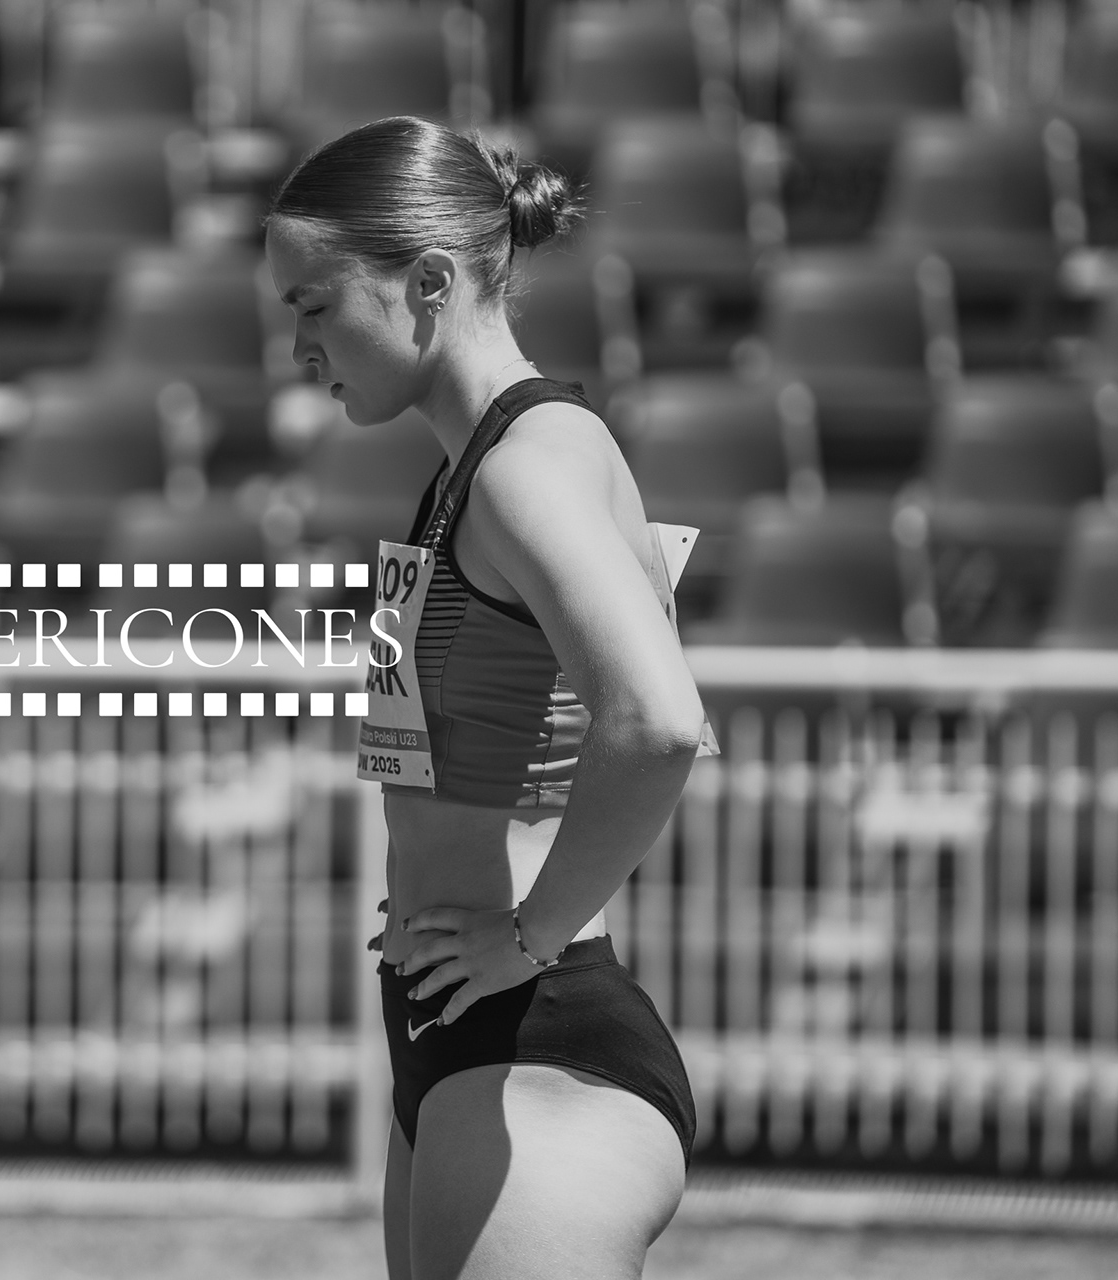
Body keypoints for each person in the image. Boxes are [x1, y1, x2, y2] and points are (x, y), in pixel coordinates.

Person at [265, 116, 712, 1280]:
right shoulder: (473, 469)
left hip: (535, 1044)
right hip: (460, 1031)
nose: (297, 346)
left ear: (428, 281)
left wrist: (528, 932)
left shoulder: (528, 463)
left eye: (315, 306)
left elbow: (659, 721)